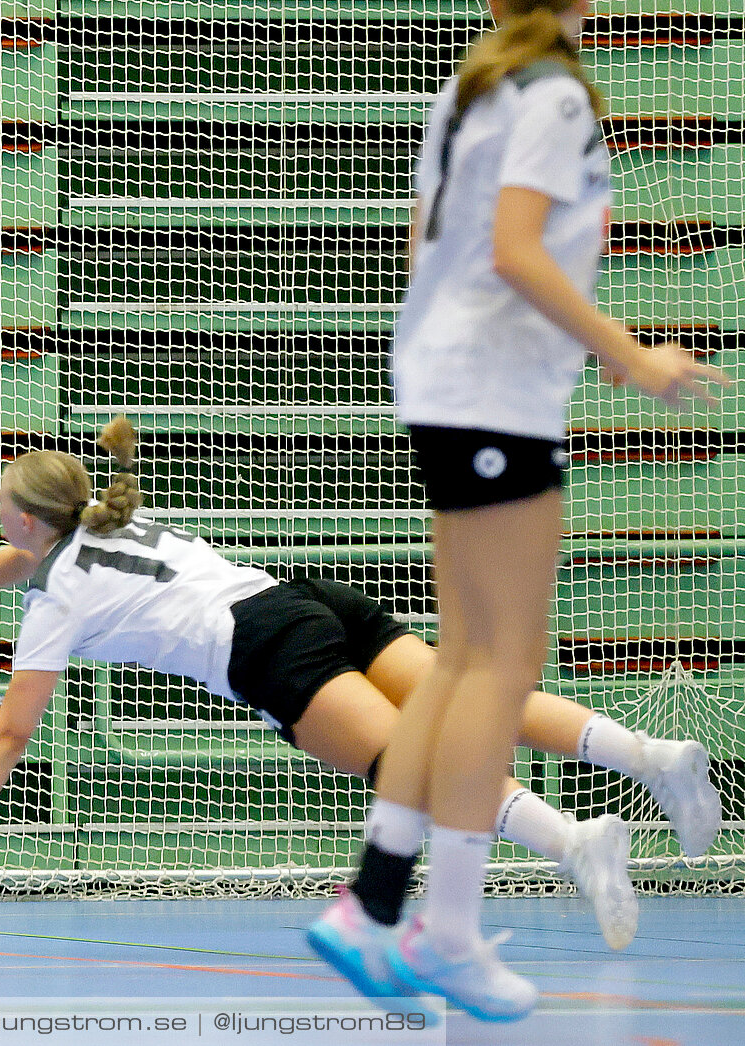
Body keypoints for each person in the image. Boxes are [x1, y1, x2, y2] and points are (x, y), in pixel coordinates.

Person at [0, 418, 720, 957]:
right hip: (302, 596)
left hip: (266, 646)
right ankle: (649, 755)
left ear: (23, 520)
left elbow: (9, 734)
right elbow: (27, 551)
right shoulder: (108, 517)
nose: (1, 521)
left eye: (1, 508)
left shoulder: (56, 598)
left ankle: (576, 844)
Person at [304, 0, 728, 1021]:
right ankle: (443, 928)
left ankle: (373, 900)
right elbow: (514, 250)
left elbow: (428, 248)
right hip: (493, 395)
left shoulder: (473, 88)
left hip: (446, 384)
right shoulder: (550, 93)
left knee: (459, 660)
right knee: (500, 665)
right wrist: (633, 357)